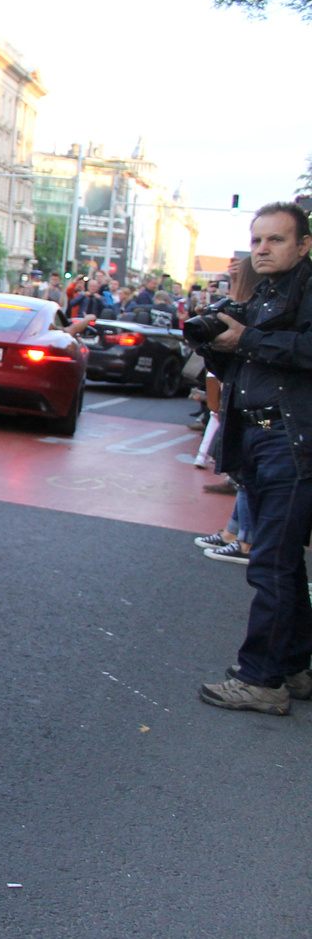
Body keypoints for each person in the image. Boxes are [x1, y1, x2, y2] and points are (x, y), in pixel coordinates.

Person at [196, 201, 312, 714]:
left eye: (276, 240)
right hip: (263, 437)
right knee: (278, 562)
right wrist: (216, 342)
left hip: (292, 438)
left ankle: (263, 680)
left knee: (273, 563)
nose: (262, 250)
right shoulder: (265, 291)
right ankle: (292, 666)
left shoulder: (305, 290)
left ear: (303, 245)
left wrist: (249, 338)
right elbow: (243, 360)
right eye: (257, 240)